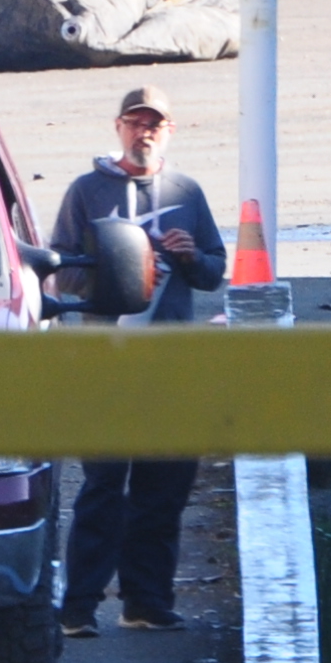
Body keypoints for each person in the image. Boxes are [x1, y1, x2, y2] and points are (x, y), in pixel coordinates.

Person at [48, 84, 227, 633]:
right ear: (118, 127)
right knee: (103, 485)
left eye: (154, 124)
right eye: (135, 122)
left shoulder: (187, 192)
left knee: (163, 486)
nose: (144, 132)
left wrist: (190, 257)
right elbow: (61, 271)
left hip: (170, 364)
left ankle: (146, 602)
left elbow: (214, 271)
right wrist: (117, 265)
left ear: (169, 132)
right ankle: (79, 608)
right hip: (106, 361)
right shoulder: (86, 191)